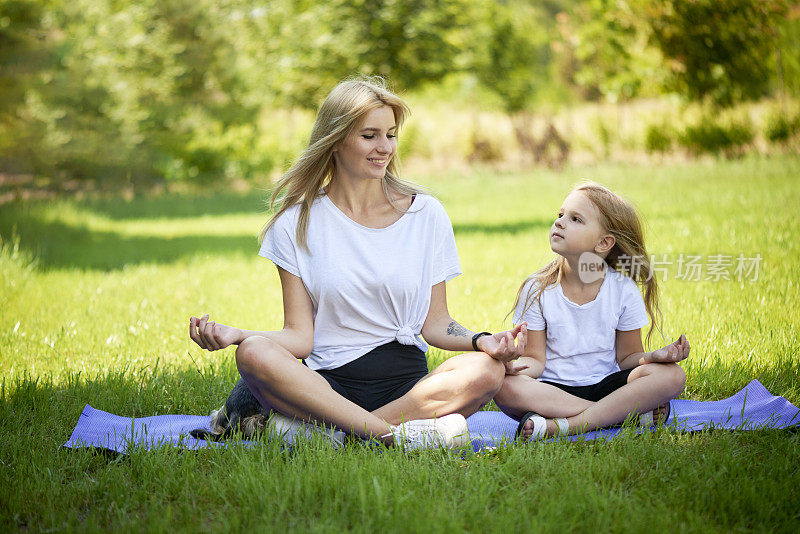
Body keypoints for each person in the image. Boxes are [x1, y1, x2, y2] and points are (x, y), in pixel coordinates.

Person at [189, 77, 526, 449]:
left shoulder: (425, 213)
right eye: (369, 136)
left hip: (408, 391)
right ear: (335, 140)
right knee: (253, 353)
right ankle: (392, 437)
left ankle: (340, 436)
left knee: (486, 369)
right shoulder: (295, 224)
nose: (385, 148)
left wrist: (482, 340)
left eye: (391, 135)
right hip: (326, 388)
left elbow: (436, 324)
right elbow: (299, 338)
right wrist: (238, 335)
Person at [494, 182, 690, 440]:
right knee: (502, 385)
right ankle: (620, 414)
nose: (561, 222)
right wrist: (511, 366)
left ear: (604, 243)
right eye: (560, 215)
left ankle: (562, 426)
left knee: (672, 375)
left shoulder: (623, 289)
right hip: (552, 393)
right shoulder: (537, 289)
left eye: (575, 219)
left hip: (608, 386)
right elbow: (535, 361)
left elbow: (629, 357)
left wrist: (655, 355)